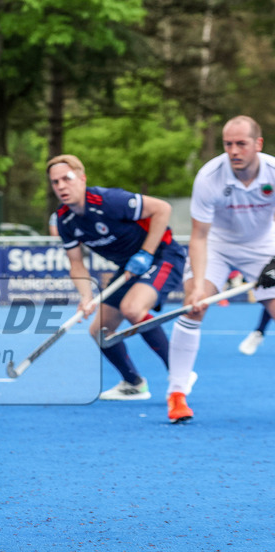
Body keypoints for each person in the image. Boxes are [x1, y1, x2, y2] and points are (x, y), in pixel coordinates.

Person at [47, 154, 187, 401]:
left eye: (66, 179)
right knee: (99, 330)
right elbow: (76, 263)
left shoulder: (108, 200)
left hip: (163, 255)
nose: (61, 186)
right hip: (128, 268)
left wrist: (146, 252)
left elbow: (162, 209)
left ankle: (179, 375)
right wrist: (86, 297)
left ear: (82, 178)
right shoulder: (65, 219)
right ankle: (133, 383)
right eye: (55, 182)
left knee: (133, 308)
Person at [167, 116, 275, 422]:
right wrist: (199, 286)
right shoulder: (209, 176)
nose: (234, 151)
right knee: (193, 308)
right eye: (228, 144)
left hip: (264, 247)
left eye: (241, 143)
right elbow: (199, 236)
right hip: (216, 245)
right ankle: (177, 394)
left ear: (258, 144)